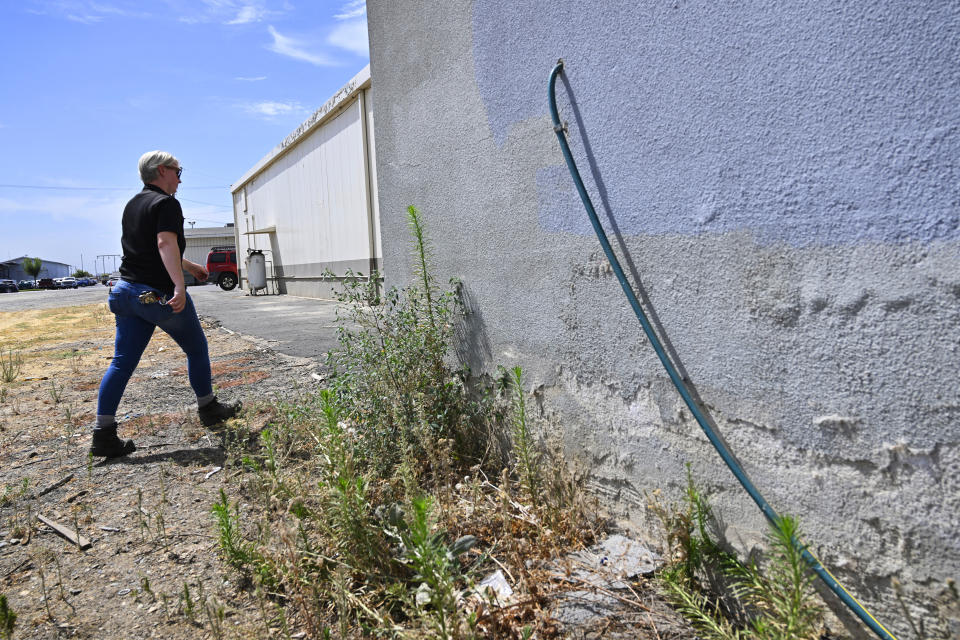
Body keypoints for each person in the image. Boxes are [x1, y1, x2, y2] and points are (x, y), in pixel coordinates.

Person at [91, 151, 240, 457]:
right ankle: (208, 408)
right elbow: (163, 243)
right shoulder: (167, 203)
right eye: (177, 170)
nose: (180, 178)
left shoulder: (133, 204)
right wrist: (180, 286)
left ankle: (102, 434)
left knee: (121, 363)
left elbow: (151, 249)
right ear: (161, 170)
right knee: (196, 348)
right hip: (156, 295)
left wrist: (188, 266)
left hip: (124, 292)